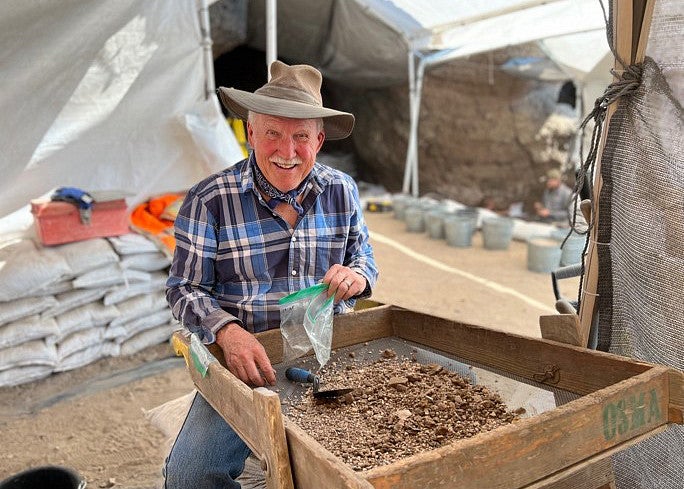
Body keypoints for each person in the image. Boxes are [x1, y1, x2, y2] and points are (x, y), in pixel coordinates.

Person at [164, 60, 378, 488]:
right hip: (244, 360)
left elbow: (364, 260)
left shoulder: (342, 190)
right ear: (249, 133)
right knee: (190, 476)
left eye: (301, 136)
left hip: (325, 352)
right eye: (273, 133)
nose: (287, 150)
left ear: (318, 139)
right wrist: (227, 333)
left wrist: (356, 278)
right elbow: (184, 289)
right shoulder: (210, 199)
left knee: (355, 468)